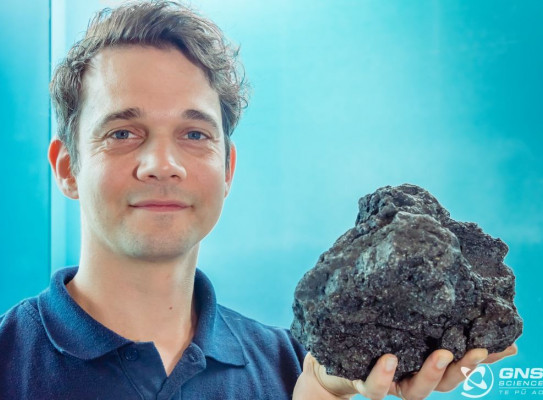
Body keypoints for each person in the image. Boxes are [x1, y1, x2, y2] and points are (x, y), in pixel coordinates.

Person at [0, 1, 516, 399]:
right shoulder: (8, 361)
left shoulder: (299, 368)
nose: (163, 163)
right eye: (122, 132)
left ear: (227, 169)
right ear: (68, 167)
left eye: (195, 134)